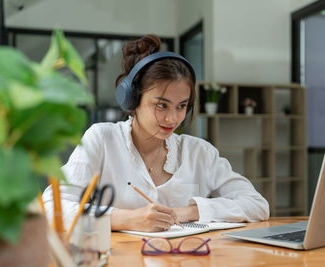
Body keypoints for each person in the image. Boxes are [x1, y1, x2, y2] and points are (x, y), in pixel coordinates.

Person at [43, 34, 269, 233]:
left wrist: (189, 211)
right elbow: (54, 206)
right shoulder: (102, 139)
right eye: (161, 105)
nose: (172, 118)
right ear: (133, 100)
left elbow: (257, 204)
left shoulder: (199, 152)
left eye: (181, 106)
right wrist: (128, 219)